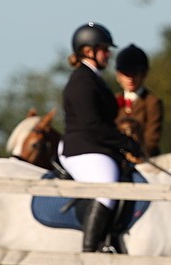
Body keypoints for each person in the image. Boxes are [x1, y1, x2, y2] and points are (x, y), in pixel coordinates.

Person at [61, 22, 136, 252]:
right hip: (83, 148)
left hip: (95, 146)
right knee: (107, 186)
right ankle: (91, 251)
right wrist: (123, 142)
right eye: (104, 49)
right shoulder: (82, 81)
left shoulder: (93, 78)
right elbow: (92, 124)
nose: (109, 54)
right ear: (88, 51)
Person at [113, 44, 164, 157]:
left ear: (144, 74)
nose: (130, 78)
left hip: (145, 160)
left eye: (135, 73)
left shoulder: (152, 102)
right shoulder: (112, 100)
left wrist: (138, 155)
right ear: (118, 76)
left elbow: (152, 139)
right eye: (126, 74)